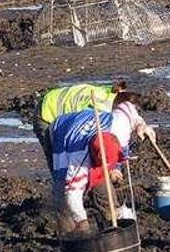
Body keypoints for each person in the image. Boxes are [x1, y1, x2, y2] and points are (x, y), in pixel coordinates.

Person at [48, 91, 154, 236]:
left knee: (102, 186)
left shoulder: (119, 126)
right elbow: (72, 192)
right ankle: (71, 236)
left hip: (89, 128)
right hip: (61, 130)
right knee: (62, 191)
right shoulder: (78, 159)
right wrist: (82, 221)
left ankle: (111, 226)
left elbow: (128, 108)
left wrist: (142, 125)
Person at [33, 81, 127, 169]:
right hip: (47, 113)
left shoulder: (110, 93)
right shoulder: (103, 108)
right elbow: (82, 133)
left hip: (56, 104)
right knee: (58, 159)